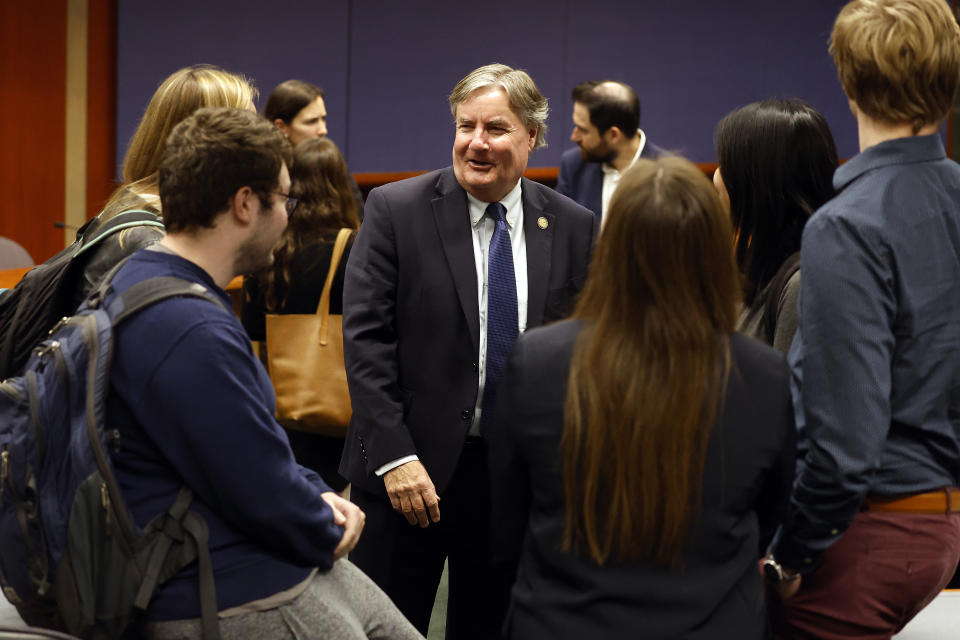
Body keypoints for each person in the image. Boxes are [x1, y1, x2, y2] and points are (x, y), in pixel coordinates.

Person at [105, 106, 422, 640]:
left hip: (208, 546)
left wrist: (310, 494)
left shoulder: (139, 277)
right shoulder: (192, 329)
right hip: (212, 581)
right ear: (246, 205)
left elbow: (249, 461)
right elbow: (263, 495)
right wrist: (324, 516)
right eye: (284, 200)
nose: (288, 215)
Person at [488, 156, 796, 640]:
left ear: (610, 251)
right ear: (715, 252)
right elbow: (770, 518)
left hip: (563, 622)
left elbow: (505, 524)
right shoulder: (764, 375)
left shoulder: (537, 362)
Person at [340, 63, 596, 638]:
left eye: (496, 129)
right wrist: (394, 457)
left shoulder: (574, 228)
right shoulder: (395, 211)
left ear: (533, 137)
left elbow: (585, 357)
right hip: (407, 475)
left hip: (512, 483)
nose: (476, 143)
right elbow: (365, 341)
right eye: (465, 126)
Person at [765, 1, 960, 637]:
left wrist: (788, 555)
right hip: (939, 523)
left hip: (864, 530)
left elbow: (844, 442)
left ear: (848, 86)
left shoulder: (848, 225)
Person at [79, 64, 257, 306]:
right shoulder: (150, 245)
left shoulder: (138, 205)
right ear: (205, 143)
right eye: (247, 136)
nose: (258, 149)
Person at [242, 137, 360, 493]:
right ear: (341, 184)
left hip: (277, 413)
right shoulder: (354, 248)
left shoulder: (268, 253)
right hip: (339, 416)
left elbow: (250, 331)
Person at [713, 98, 838, 353]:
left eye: (727, 165)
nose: (716, 176)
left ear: (758, 183)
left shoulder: (802, 284)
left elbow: (781, 391)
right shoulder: (752, 263)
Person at [556, 80, 663, 224]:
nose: (574, 137)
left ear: (614, 135)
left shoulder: (668, 176)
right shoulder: (572, 166)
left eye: (583, 130)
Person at [264, 79, 364, 215]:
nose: (323, 130)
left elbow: (357, 218)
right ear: (281, 127)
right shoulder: (266, 170)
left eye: (323, 119)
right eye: (311, 122)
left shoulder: (331, 162)